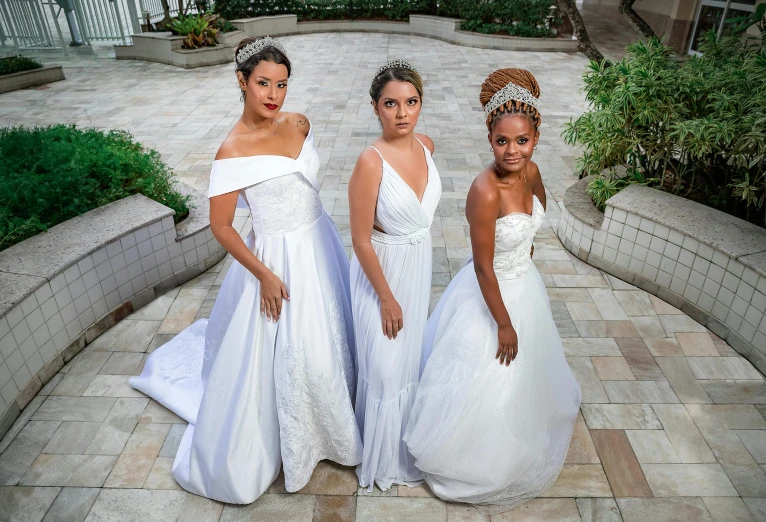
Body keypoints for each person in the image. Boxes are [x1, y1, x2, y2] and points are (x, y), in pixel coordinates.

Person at [129, 36, 362, 504]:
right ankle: (307, 441)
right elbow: (221, 227)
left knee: (334, 333)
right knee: (300, 351)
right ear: (241, 81)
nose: (274, 95)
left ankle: (340, 418)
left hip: (320, 244)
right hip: (278, 258)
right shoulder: (231, 151)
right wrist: (264, 274)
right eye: (262, 83)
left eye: (281, 84)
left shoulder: (299, 123)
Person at [403, 68, 582, 514]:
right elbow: (483, 265)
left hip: (524, 282)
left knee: (528, 375)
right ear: (489, 139)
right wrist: (503, 323)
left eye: (522, 140)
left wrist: (526, 252)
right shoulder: (484, 191)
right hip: (491, 293)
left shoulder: (534, 171)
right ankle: (476, 454)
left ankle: (520, 431)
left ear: (536, 137)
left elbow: (536, 213)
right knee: (486, 372)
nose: (513, 151)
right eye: (502, 141)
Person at [348, 59, 442, 492]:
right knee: (384, 368)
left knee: (407, 361)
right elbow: (361, 240)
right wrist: (385, 297)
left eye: (411, 102)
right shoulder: (370, 162)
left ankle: (405, 439)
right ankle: (382, 457)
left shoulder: (426, 145)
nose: (402, 113)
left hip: (416, 266)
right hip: (381, 272)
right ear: (375, 108)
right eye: (391, 103)